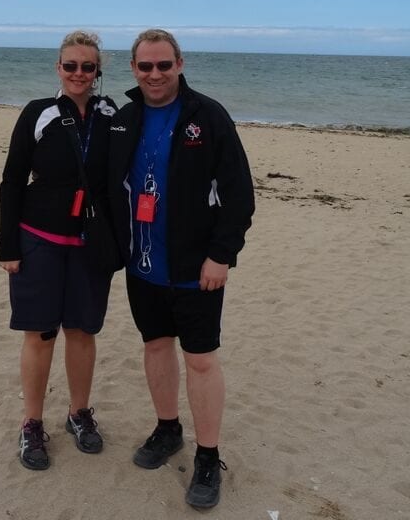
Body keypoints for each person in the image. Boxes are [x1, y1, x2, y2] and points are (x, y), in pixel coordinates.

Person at [108, 28, 255, 509]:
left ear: (180, 64)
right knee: (155, 345)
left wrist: (222, 254)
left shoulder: (207, 116)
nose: (155, 74)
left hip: (197, 267)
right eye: (145, 66)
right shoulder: (125, 118)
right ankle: (168, 429)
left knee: (201, 358)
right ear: (133, 69)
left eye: (163, 65)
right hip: (143, 263)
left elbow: (239, 195)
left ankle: (209, 456)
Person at [0, 30, 119, 471]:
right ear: (58, 68)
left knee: (83, 331)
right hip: (38, 239)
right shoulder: (38, 113)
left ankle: (79, 414)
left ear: (98, 71)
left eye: (88, 67)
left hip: (91, 243)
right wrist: (7, 245)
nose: (79, 74)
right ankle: (31, 423)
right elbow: (12, 180)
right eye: (71, 65)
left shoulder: (112, 115)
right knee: (41, 333)